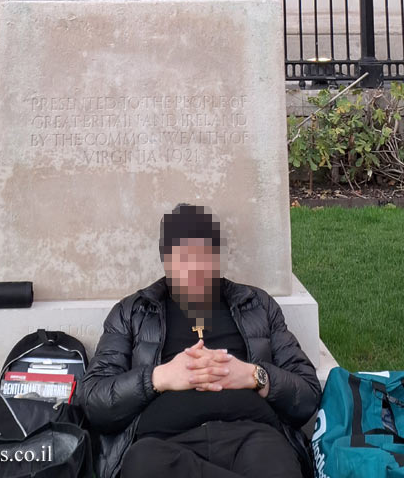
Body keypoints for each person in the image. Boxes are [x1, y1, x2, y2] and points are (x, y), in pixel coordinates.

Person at [76, 203, 321, 478]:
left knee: (277, 465)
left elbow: (308, 396)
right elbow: (94, 400)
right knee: (144, 464)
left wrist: (255, 376)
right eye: (183, 257)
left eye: (204, 255)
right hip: (164, 444)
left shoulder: (256, 305)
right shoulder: (133, 312)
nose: (194, 268)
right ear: (165, 259)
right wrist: (158, 378)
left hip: (254, 437)